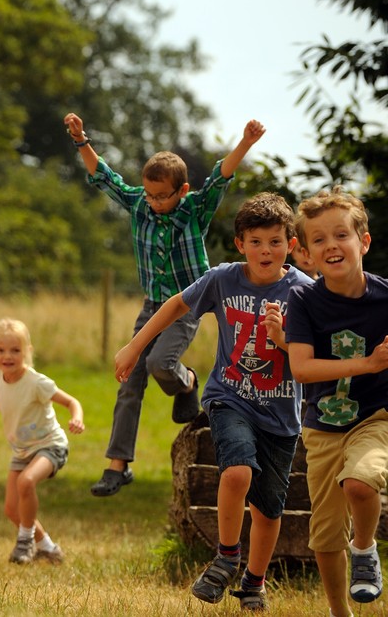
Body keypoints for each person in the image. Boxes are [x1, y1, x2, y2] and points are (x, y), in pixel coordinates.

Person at [115, 192, 313, 609]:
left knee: (268, 510)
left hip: (281, 412)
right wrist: (135, 348)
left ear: (291, 245)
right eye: (256, 241)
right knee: (237, 471)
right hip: (229, 397)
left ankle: (254, 582)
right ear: (240, 243)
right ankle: (225, 557)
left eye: (275, 241)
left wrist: (282, 339)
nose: (266, 250)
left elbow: (316, 353)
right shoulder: (223, 278)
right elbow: (174, 305)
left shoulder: (303, 292)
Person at [63, 111, 267, 497]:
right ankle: (117, 466)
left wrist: (245, 143)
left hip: (188, 303)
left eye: (163, 196)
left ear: (182, 190)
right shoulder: (139, 204)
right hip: (152, 303)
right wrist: (80, 139)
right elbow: (103, 176)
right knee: (130, 378)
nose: (155, 203)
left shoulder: (193, 210)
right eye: (150, 194)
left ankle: (187, 382)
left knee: (160, 363)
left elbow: (220, 178)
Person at [285, 187, 388, 617]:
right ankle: (337, 613)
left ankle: (364, 548)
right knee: (325, 535)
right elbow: (302, 369)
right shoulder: (303, 299)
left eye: (341, 235)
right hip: (322, 428)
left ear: (362, 242)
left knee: (361, 482)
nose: (332, 245)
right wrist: (368, 363)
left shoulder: (386, 298)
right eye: (320, 239)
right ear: (306, 255)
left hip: (377, 418)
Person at [0, 318, 83, 565]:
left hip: (50, 445)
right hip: (22, 451)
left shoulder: (36, 382)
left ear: (27, 352)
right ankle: (47, 547)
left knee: (26, 482)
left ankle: (25, 542)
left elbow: (71, 402)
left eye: (15, 350)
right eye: (1, 350)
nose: (8, 356)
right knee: (11, 510)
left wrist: (76, 418)